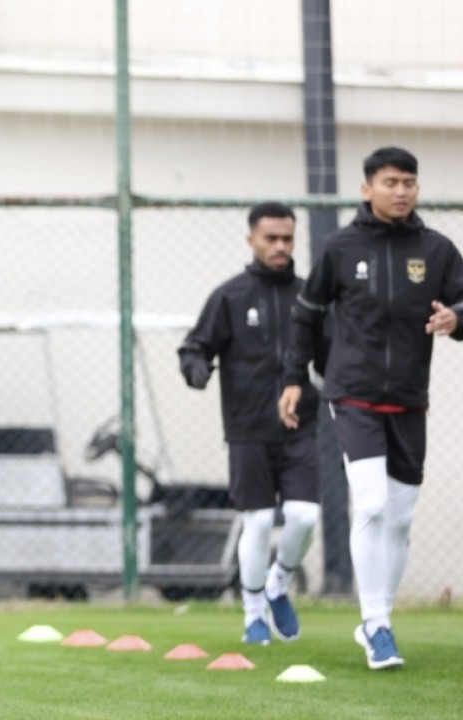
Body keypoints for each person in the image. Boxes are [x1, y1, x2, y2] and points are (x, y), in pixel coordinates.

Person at [279, 146, 463, 670]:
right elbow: (305, 316)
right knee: (374, 504)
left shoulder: (438, 250)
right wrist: (295, 377)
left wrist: (456, 318)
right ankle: (377, 623)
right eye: (390, 182)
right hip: (352, 393)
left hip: (409, 399)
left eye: (409, 181)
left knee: (400, 519)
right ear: (367, 189)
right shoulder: (340, 248)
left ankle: (376, 620)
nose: (401, 190)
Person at [179, 202, 324, 646]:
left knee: (304, 516)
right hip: (247, 428)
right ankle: (252, 614)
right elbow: (194, 347)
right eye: (271, 238)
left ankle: (279, 581)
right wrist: (197, 368)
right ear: (252, 240)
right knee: (258, 522)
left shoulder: (309, 297)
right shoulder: (230, 296)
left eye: (287, 238)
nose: (280, 246)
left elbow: (337, 353)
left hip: (301, 426)